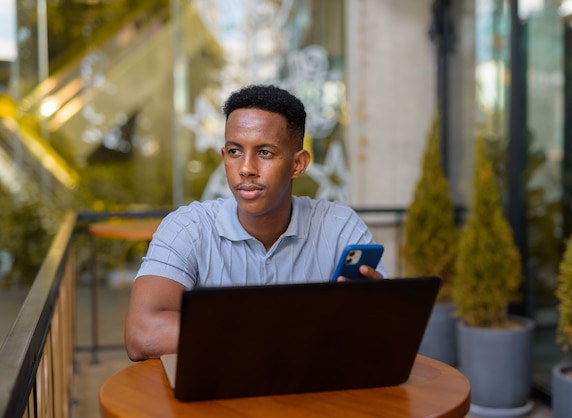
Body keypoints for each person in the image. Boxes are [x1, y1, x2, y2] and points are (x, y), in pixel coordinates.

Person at [124, 84, 386, 361]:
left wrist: (376, 312)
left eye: (264, 153)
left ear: (298, 164)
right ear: (225, 157)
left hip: (311, 398)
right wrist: (285, 329)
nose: (246, 168)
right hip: (216, 400)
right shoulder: (187, 228)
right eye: (235, 151)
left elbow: (384, 331)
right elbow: (142, 334)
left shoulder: (340, 227)